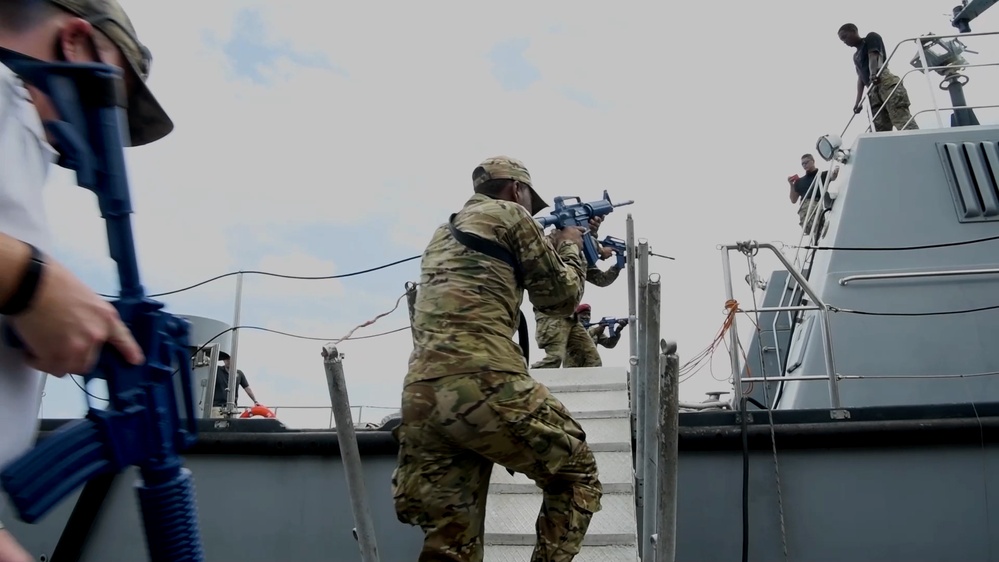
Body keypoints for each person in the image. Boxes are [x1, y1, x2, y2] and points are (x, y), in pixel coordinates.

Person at [0, 1, 172, 560]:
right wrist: (30, 284)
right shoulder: (9, 103)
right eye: (114, 104)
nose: (105, 139)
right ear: (74, 42)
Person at [392, 155, 603, 561]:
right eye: (528, 198)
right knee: (577, 474)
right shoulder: (511, 214)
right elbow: (560, 298)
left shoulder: (441, 233)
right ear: (517, 189)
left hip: (420, 393)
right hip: (483, 379)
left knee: (451, 543)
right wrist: (572, 247)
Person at [531, 215, 624, 369]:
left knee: (592, 361)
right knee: (553, 359)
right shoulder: (554, 240)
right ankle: (522, 387)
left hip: (570, 316)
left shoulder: (580, 253)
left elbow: (601, 279)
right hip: (552, 312)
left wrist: (617, 265)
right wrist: (599, 249)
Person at [838, 23, 918, 132]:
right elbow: (860, 78)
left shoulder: (871, 37)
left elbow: (873, 55)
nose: (844, 42)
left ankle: (916, 142)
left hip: (883, 80)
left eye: (845, 37)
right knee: (878, 127)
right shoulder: (855, 56)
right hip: (872, 90)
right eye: (842, 40)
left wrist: (873, 74)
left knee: (900, 117)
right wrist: (858, 102)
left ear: (853, 31)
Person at [786, 153, 839, 235]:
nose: (804, 165)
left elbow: (833, 176)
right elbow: (793, 200)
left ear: (813, 161)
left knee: (821, 228)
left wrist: (836, 170)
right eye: (802, 164)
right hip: (806, 206)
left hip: (819, 204)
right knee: (812, 228)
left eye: (806, 162)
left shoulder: (823, 174)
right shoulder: (799, 182)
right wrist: (791, 185)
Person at [210, 351, 260, 417]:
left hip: (232, 408)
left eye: (230, 358)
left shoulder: (239, 373)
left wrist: (255, 401)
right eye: (226, 359)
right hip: (217, 407)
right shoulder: (217, 370)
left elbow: (247, 388)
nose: (228, 361)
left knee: (232, 427)